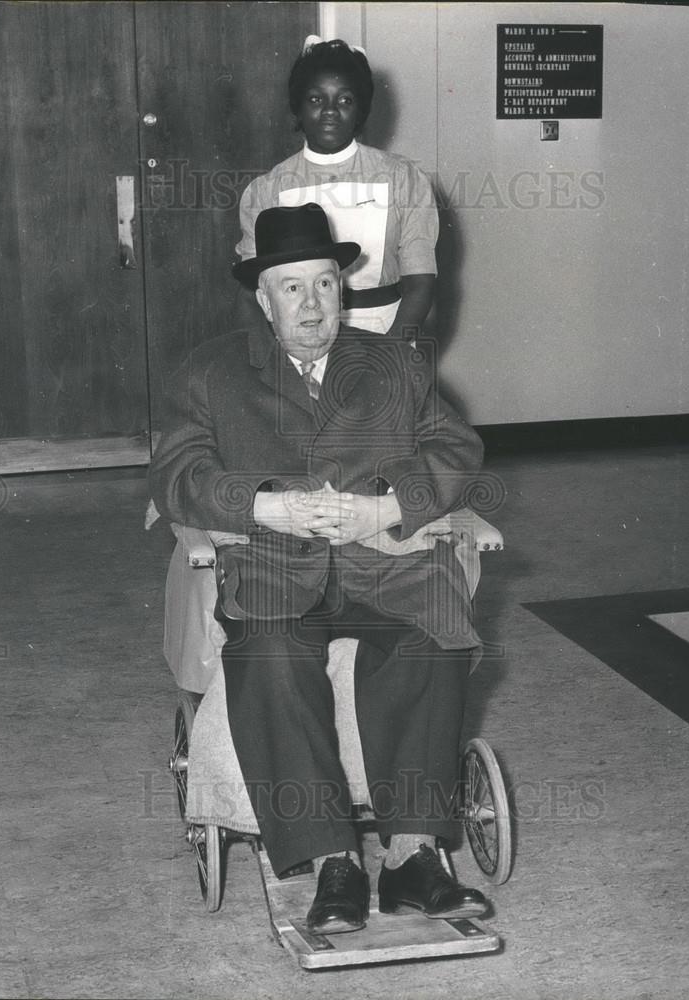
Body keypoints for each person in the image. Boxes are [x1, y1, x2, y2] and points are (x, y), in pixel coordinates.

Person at [149, 203, 487, 935]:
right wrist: (261, 504)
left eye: (326, 285)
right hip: (276, 571)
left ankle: (410, 856)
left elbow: (457, 454)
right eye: (291, 287)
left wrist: (388, 509)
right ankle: (332, 859)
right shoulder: (211, 371)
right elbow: (176, 474)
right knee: (270, 653)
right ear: (262, 297)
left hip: (382, 566)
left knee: (437, 631)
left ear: (344, 289)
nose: (311, 305)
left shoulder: (392, 363)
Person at [234, 36, 438, 339]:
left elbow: (420, 283)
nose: (330, 111)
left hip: (386, 331)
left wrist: (391, 353)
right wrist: (274, 354)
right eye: (316, 99)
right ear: (298, 106)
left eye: (345, 100)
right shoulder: (266, 189)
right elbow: (252, 291)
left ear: (361, 109)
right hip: (297, 337)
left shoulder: (402, 178)